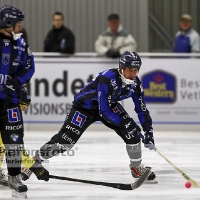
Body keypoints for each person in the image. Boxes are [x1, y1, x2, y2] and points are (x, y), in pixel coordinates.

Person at [21, 51, 157, 184]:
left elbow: (142, 109)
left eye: (135, 70)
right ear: (121, 68)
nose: (132, 74)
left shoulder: (135, 85)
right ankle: (33, 162)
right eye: (129, 70)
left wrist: (148, 131)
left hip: (108, 105)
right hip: (84, 108)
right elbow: (103, 111)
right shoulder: (107, 78)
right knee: (64, 142)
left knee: (131, 132)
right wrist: (125, 123)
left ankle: (136, 167)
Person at [0, 5, 48, 198]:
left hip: (11, 101)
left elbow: (30, 67)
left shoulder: (21, 45)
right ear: (7, 23)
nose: (21, 28)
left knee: (14, 140)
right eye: (18, 25)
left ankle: (14, 177)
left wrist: (16, 81)